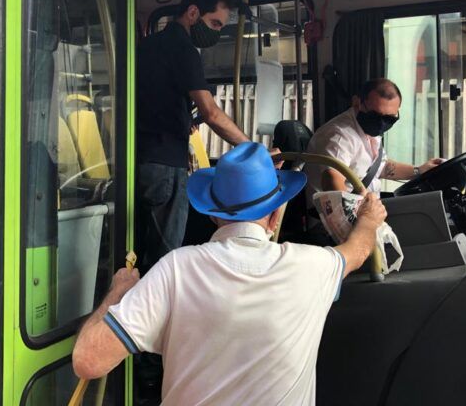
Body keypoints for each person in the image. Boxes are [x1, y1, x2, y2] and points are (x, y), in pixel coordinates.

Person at [72, 142, 387, 405]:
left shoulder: (175, 269)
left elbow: (88, 360)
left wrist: (118, 291)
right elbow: (358, 250)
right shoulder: (313, 266)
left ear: (212, 215)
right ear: (275, 216)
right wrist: (370, 219)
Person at [135, 0, 250, 273]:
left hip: (138, 160)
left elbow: (156, 100)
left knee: (138, 248)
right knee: (165, 258)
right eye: (214, 23)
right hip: (165, 164)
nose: (216, 32)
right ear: (193, 12)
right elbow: (211, 112)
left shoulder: (147, 45)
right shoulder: (185, 50)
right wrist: (251, 148)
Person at [305, 78, 442, 199]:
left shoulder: (368, 129)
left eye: (389, 119)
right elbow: (332, 180)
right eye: (375, 115)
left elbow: (381, 167)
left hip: (370, 205)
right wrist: (361, 216)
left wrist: (419, 170)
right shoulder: (339, 136)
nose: (381, 123)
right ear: (357, 103)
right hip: (340, 215)